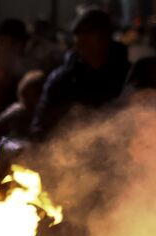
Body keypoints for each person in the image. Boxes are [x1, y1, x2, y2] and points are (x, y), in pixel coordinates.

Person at [29, 8, 129, 140]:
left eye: (89, 34)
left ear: (105, 37)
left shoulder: (128, 75)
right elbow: (40, 125)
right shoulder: (63, 80)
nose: (82, 41)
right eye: (78, 35)